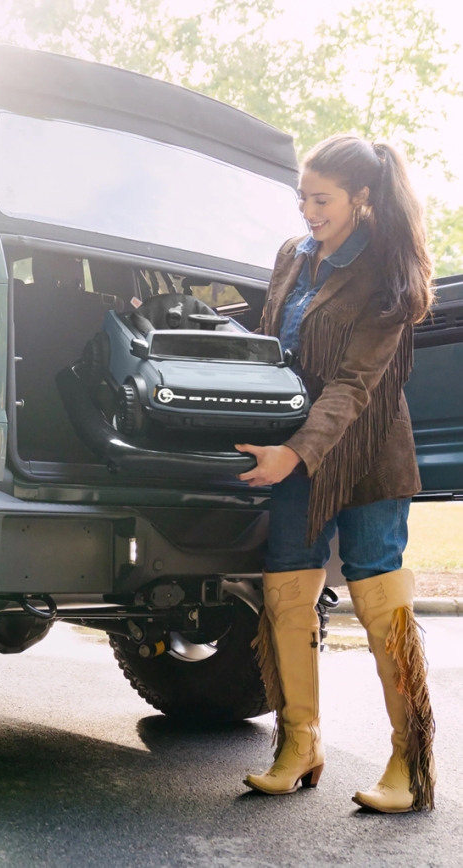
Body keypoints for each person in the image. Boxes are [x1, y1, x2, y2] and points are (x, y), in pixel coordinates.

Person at [235, 135, 435, 813]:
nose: (307, 211)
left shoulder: (388, 269)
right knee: (288, 584)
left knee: (381, 594)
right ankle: (299, 745)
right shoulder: (293, 256)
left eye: (321, 199)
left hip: (370, 457)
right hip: (296, 452)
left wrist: (296, 452)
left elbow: (354, 385)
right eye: (302, 197)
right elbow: (273, 346)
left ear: (362, 198)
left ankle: (411, 760)